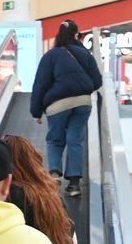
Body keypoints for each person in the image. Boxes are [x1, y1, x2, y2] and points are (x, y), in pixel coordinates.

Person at [30, 19, 102, 198]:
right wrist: (81, 90)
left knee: (55, 139)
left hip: (58, 104)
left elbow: (41, 83)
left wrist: (36, 111)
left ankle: (54, 175)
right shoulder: (85, 55)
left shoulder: (51, 55)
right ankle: (75, 184)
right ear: (77, 35)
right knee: (75, 139)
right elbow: (98, 81)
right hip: (83, 102)